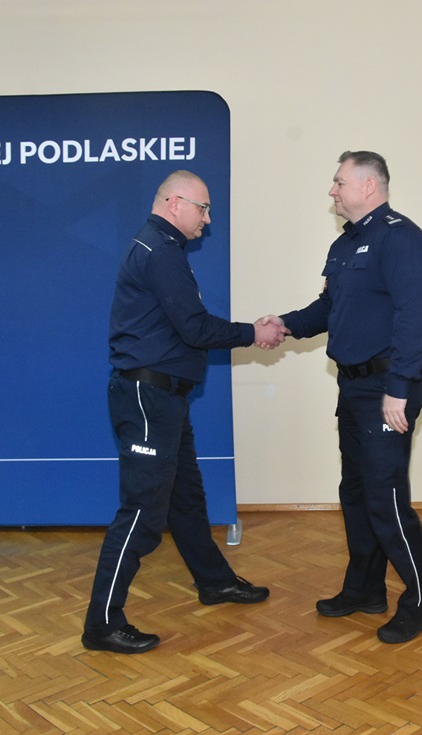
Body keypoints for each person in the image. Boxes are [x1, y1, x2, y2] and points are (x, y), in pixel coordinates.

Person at [82, 170, 287, 654]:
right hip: (148, 400)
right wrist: (253, 333)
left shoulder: (161, 247)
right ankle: (101, 624)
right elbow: (194, 328)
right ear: (174, 203)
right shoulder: (159, 251)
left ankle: (214, 582)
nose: (208, 219)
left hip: (165, 400)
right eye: (203, 208)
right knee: (141, 514)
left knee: (186, 500)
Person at [263, 150, 422, 644]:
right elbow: (330, 307)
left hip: (387, 387)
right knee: (357, 493)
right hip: (353, 386)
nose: (332, 190)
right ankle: (365, 589)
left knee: (386, 497)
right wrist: (285, 324)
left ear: (368, 186)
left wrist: (398, 390)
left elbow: (414, 316)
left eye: (339, 182)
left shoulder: (401, 238)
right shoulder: (345, 244)